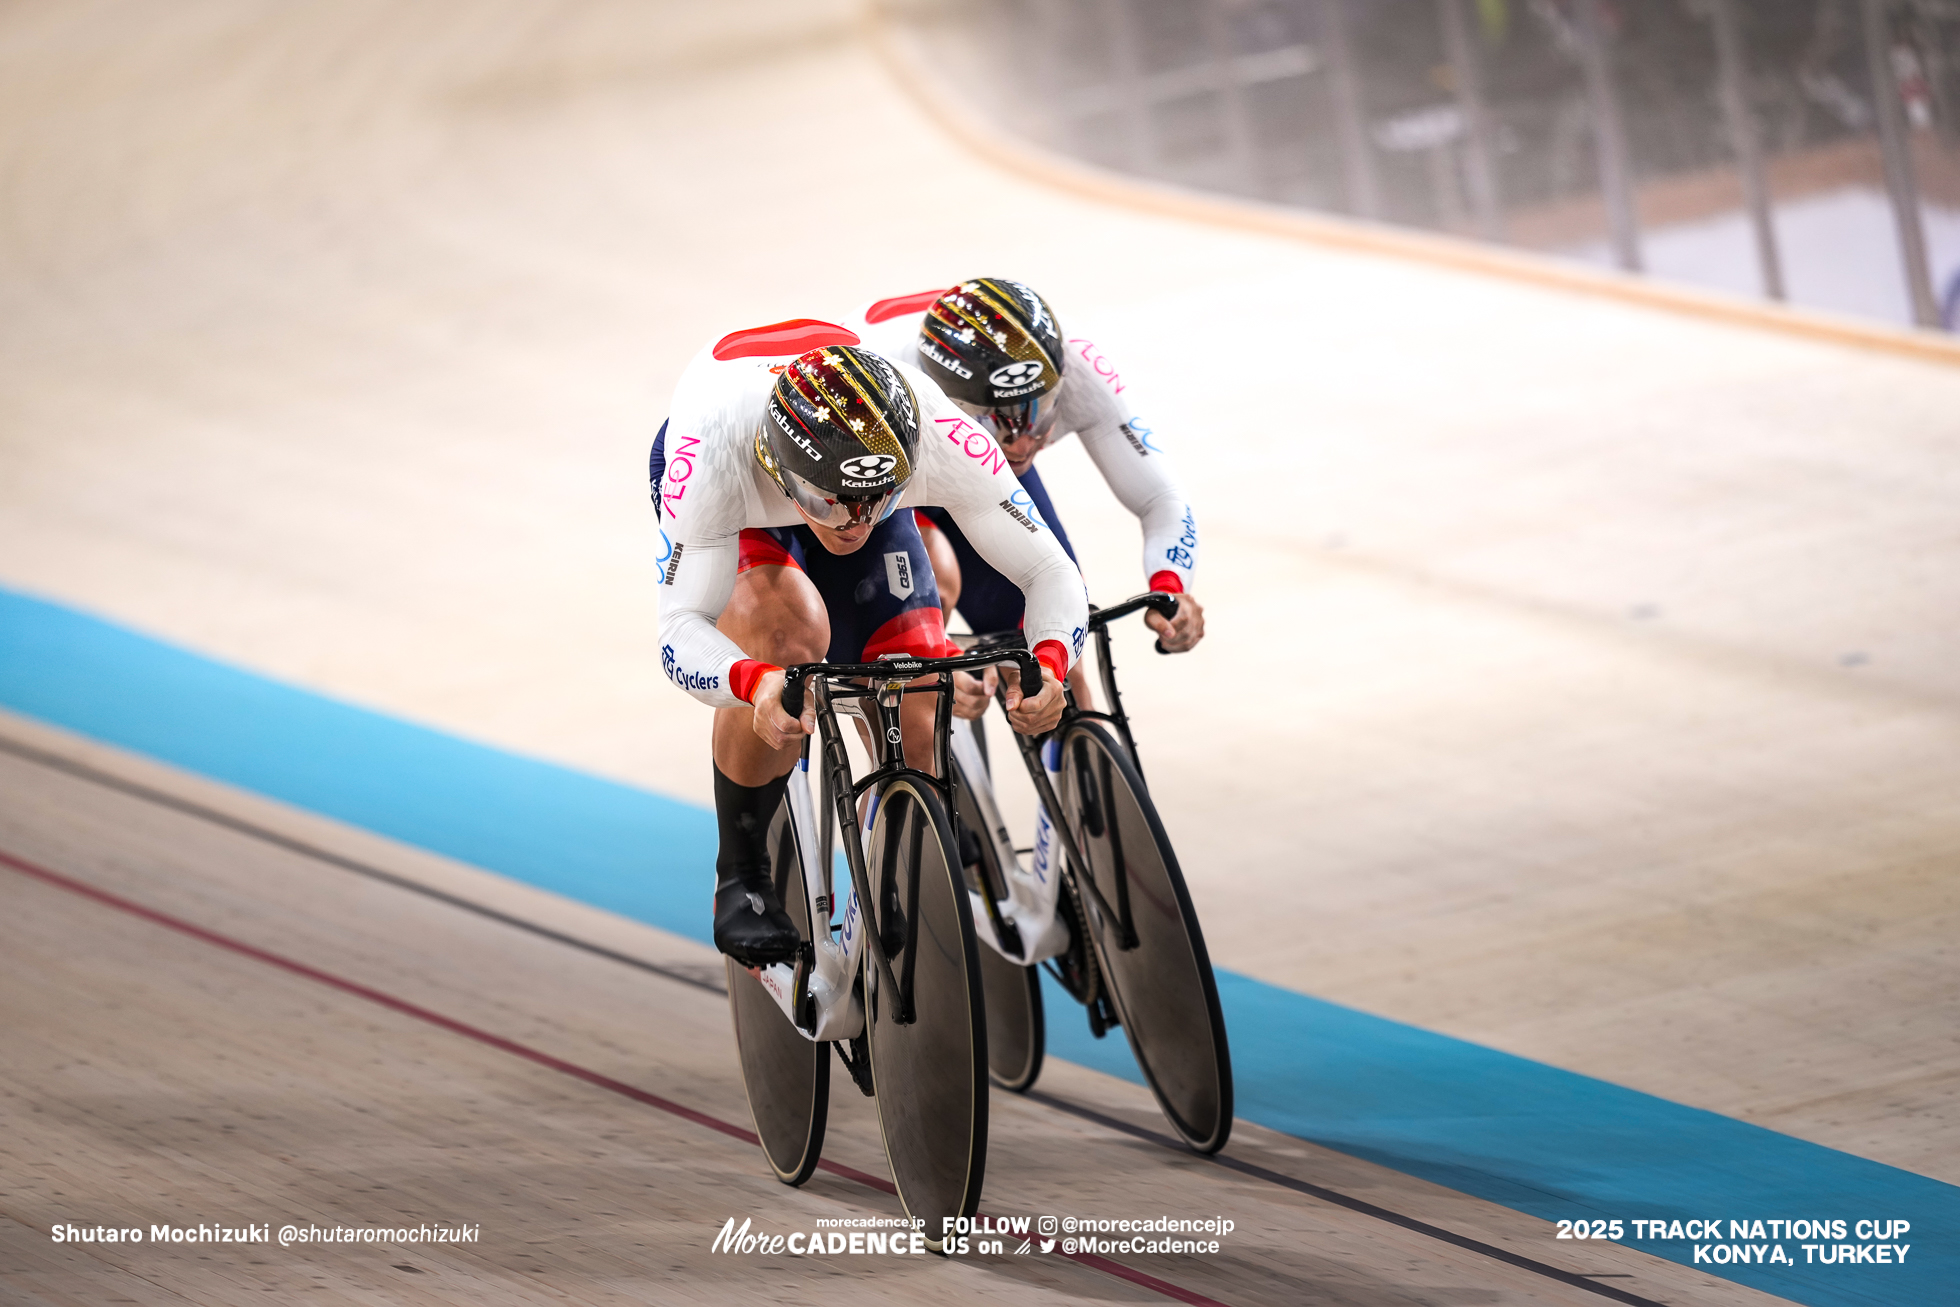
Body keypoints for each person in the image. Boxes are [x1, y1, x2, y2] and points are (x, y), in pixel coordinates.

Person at [651, 318, 1087, 965]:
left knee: (919, 694)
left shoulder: (937, 435)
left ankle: (897, 887)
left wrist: (1052, 660)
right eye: (833, 504)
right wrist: (756, 682)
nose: (852, 523)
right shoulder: (712, 457)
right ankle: (742, 870)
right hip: (744, 510)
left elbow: (1049, 570)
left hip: (846, 461)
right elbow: (678, 629)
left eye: (874, 499)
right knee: (787, 636)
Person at [848, 278, 1204, 689]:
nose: (1020, 442)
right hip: (893, 474)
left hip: (978, 467)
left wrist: (1171, 587)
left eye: (1037, 417)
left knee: (1057, 638)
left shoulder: (1079, 365)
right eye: (995, 419)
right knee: (928, 609)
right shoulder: (884, 388)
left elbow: (1161, 497)